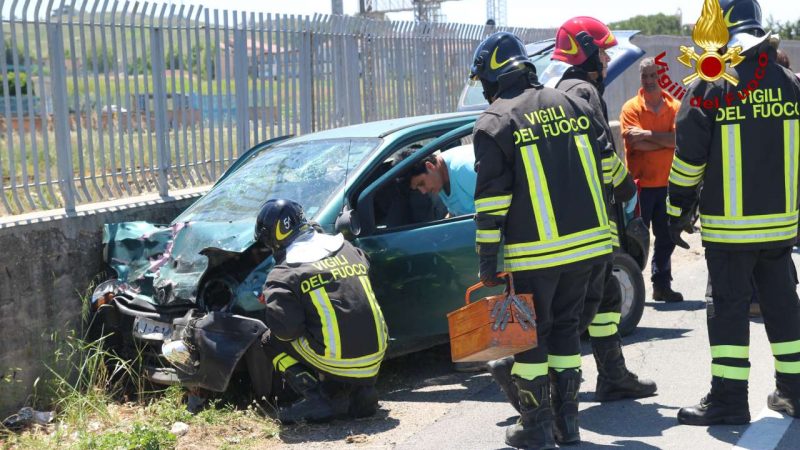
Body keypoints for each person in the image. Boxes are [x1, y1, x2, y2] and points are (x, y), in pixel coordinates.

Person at [470, 31, 616, 448]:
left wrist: (486, 260)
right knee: (568, 329)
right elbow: (607, 169)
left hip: (537, 253)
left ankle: (535, 426)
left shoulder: (496, 121)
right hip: (590, 246)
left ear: (493, 75)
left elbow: (492, 202)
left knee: (530, 337)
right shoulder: (573, 103)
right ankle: (568, 425)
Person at [668, 0, 800, 426]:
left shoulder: (712, 84)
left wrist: (675, 211)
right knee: (783, 308)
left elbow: (689, 159)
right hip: (781, 229)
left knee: (726, 310)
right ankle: (795, 392)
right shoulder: (790, 83)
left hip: (730, 231)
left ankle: (728, 399)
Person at [546, 15, 657, 404]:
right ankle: (523, 371)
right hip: (594, 217)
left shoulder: (564, 89)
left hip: (580, 216)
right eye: (604, 54)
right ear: (587, 52)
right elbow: (600, 151)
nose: (608, 62)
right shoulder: (584, 92)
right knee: (585, 304)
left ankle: (612, 375)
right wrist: (626, 187)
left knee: (606, 297)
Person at [255, 198, 388, 423]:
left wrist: (272, 302)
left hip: (340, 359)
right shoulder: (348, 248)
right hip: (377, 352)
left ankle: (318, 399)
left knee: (270, 340)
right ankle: (360, 391)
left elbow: (287, 331)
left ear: (273, 238)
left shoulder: (284, 274)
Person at [620, 57, 684, 302]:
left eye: (653, 76)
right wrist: (665, 139)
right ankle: (631, 289)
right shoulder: (631, 108)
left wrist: (647, 135)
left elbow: (679, 141)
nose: (649, 81)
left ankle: (661, 285)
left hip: (668, 185)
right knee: (635, 238)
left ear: (662, 77)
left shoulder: (675, 107)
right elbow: (633, 141)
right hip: (639, 187)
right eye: (644, 76)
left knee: (667, 237)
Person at [399, 144, 477, 217]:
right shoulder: (438, 176)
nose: (423, 191)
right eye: (417, 188)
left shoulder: (464, 169)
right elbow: (455, 212)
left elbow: (488, 215)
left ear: (429, 166)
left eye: (422, 183)